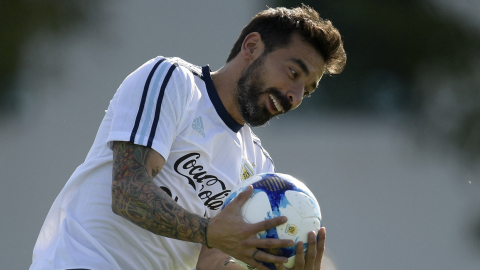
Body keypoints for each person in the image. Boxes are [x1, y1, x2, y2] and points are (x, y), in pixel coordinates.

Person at [30, 4, 346, 270]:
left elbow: (212, 263)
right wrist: (209, 232)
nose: (295, 97)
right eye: (293, 73)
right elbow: (128, 191)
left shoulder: (259, 166)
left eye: (307, 90)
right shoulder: (173, 81)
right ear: (252, 47)